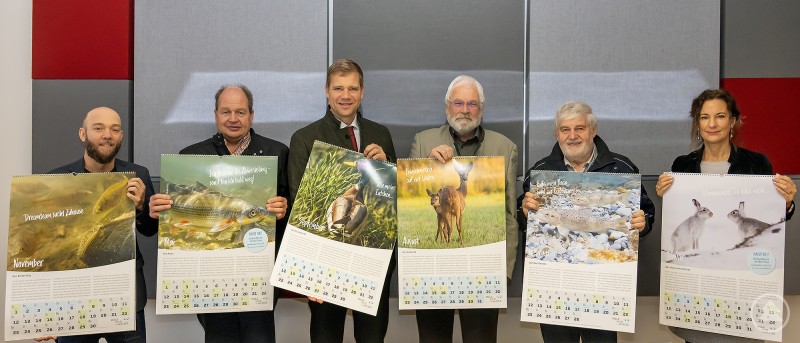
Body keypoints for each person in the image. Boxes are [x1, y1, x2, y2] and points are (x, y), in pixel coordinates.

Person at [148, 84, 289, 343]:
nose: (233, 119)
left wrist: (284, 208)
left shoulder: (277, 153)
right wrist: (158, 209)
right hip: (209, 279)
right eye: (226, 112)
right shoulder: (191, 156)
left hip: (258, 275)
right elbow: (170, 219)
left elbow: (291, 218)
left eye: (240, 112)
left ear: (252, 115)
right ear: (215, 114)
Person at [655, 88, 796, 343]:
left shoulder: (756, 163)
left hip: (740, 287)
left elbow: (772, 218)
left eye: (720, 116)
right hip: (696, 289)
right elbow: (677, 218)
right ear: (697, 123)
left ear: (732, 121)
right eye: (704, 117)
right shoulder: (682, 166)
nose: (712, 124)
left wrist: (785, 203)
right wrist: (665, 194)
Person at [518, 101, 656, 343]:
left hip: (603, 288)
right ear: (556, 134)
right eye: (565, 130)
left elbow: (646, 213)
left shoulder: (621, 168)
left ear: (593, 130)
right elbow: (524, 221)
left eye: (579, 128)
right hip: (555, 290)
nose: (572, 136)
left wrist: (642, 224)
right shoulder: (541, 171)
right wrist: (525, 211)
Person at [288, 58, 396, 343]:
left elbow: (394, 198)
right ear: (326, 91)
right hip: (325, 259)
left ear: (362, 92)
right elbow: (301, 202)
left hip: (371, 257)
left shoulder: (381, 134)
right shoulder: (304, 139)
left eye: (352, 88)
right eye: (338, 88)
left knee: (372, 337)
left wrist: (384, 168)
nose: (345, 96)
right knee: (326, 336)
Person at [407, 75, 518, 343]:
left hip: (485, 271)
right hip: (432, 273)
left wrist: (505, 270)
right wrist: (429, 164)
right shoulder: (423, 142)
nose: (464, 110)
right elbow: (408, 188)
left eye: (472, 103)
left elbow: (510, 214)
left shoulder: (505, 147)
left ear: (481, 108)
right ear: (447, 107)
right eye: (458, 103)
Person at [36, 107, 157, 343]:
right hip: (73, 300)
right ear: (83, 134)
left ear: (121, 136)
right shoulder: (57, 180)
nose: (107, 135)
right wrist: (44, 314)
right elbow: (46, 252)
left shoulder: (138, 174)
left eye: (114, 129)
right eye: (98, 128)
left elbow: (149, 230)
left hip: (126, 297)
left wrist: (142, 206)